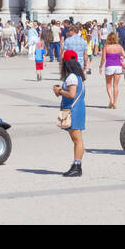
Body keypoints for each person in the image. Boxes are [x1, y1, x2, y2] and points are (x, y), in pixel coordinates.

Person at [53, 49, 87, 177]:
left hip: (73, 110)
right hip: (76, 109)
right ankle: (76, 164)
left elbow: (71, 94)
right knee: (76, 139)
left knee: (77, 139)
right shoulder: (77, 76)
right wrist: (59, 91)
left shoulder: (71, 77)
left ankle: (77, 166)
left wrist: (60, 91)